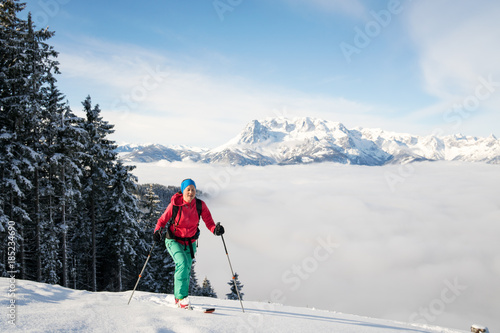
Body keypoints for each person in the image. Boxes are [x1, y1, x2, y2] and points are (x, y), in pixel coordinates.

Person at [153, 178, 225, 309]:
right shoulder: (175, 204)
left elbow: (209, 221)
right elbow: (162, 220)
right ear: (183, 191)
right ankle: (182, 298)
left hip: (190, 242)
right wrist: (157, 231)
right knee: (182, 263)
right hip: (173, 240)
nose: (191, 192)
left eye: (193, 190)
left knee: (186, 269)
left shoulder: (200, 205)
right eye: (188, 189)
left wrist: (216, 230)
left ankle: (179, 298)